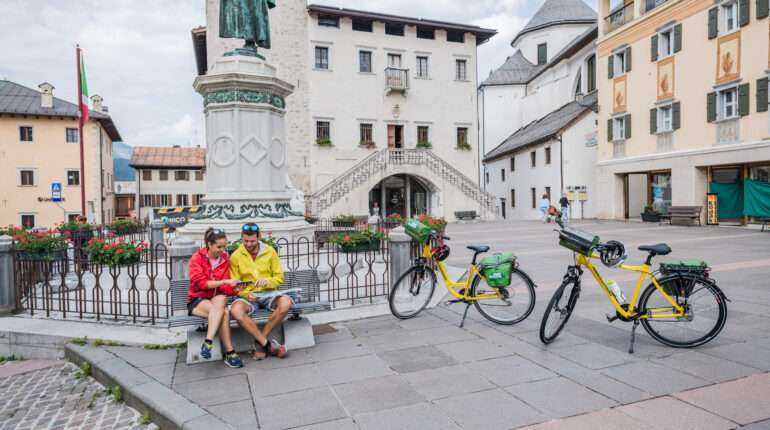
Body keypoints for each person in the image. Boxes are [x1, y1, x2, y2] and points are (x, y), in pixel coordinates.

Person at [229, 223, 292, 360]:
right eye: (245, 241)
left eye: (252, 241)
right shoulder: (235, 256)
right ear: (241, 237)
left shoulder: (270, 251)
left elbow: (279, 278)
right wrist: (246, 294)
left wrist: (267, 281)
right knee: (236, 310)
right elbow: (235, 286)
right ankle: (266, 344)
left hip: (269, 294)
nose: (248, 244)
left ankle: (260, 342)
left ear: (259, 237)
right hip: (249, 297)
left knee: (286, 303)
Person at [188, 228, 244, 368]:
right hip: (198, 299)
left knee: (221, 300)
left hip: (216, 298)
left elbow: (225, 289)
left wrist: (236, 289)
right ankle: (229, 352)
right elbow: (202, 284)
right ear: (209, 244)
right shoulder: (197, 258)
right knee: (224, 312)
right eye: (219, 247)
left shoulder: (224, 259)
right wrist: (224, 282)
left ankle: (208, 343)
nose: (222, 250)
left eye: (224, 246)